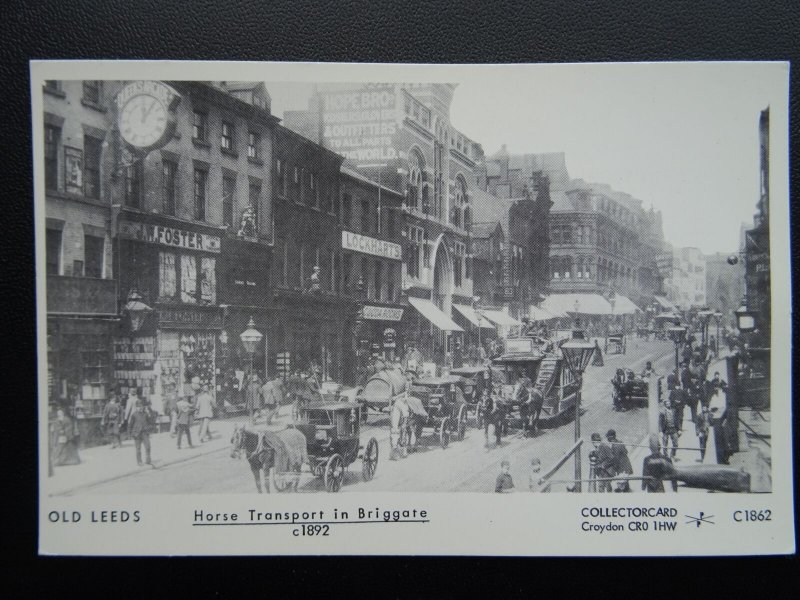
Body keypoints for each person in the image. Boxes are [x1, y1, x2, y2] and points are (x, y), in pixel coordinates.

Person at [128, 400, 153, 466]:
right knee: (138, 449)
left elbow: (150, 422)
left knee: (148, 446)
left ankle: (148, 460)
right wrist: (130, 434)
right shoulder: (134, 415)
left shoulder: (146, 414)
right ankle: (139, 461)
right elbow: (130, 425)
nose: (140, 408)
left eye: (141, 406)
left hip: (145, 433)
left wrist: (148, 428)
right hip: (137, 434)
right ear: (136, 407)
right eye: (138, 406)